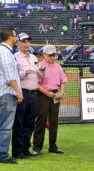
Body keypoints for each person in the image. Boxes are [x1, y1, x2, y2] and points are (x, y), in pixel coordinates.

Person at [12, 33, 45, 159]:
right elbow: (13, 74)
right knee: (19, 124)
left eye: (28, 41)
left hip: (33, 93)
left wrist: (42, 71)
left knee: (30, 123)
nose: (27, 44)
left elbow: (41, 76)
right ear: (18, 43)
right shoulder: (14, 57)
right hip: (22, 92)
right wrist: (25, 72)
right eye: (24, 41)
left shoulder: (33, 58)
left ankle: (25, 149)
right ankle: (17, 151)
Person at [32, 45, 67, 155]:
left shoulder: (58, 67)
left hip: (55, 94)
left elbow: (63, 81)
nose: (52, 57)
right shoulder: (39, 66)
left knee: (54, 121)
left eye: (54, 55)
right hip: (43, 94)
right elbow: (36, 84)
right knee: (41, 119)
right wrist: (46, 93)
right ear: (44, 55)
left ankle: (53, 146)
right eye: (50, 55)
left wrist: (61, 92)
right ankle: (37, 147)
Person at [0, 28, 22, 164]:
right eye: (15, 36)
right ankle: (2, 155)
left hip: (2, 92)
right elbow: (9, 76)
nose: (17, 39)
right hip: (7, 93)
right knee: (6, 126)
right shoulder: (5, 52)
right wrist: (18, 92)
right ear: (10, 37)